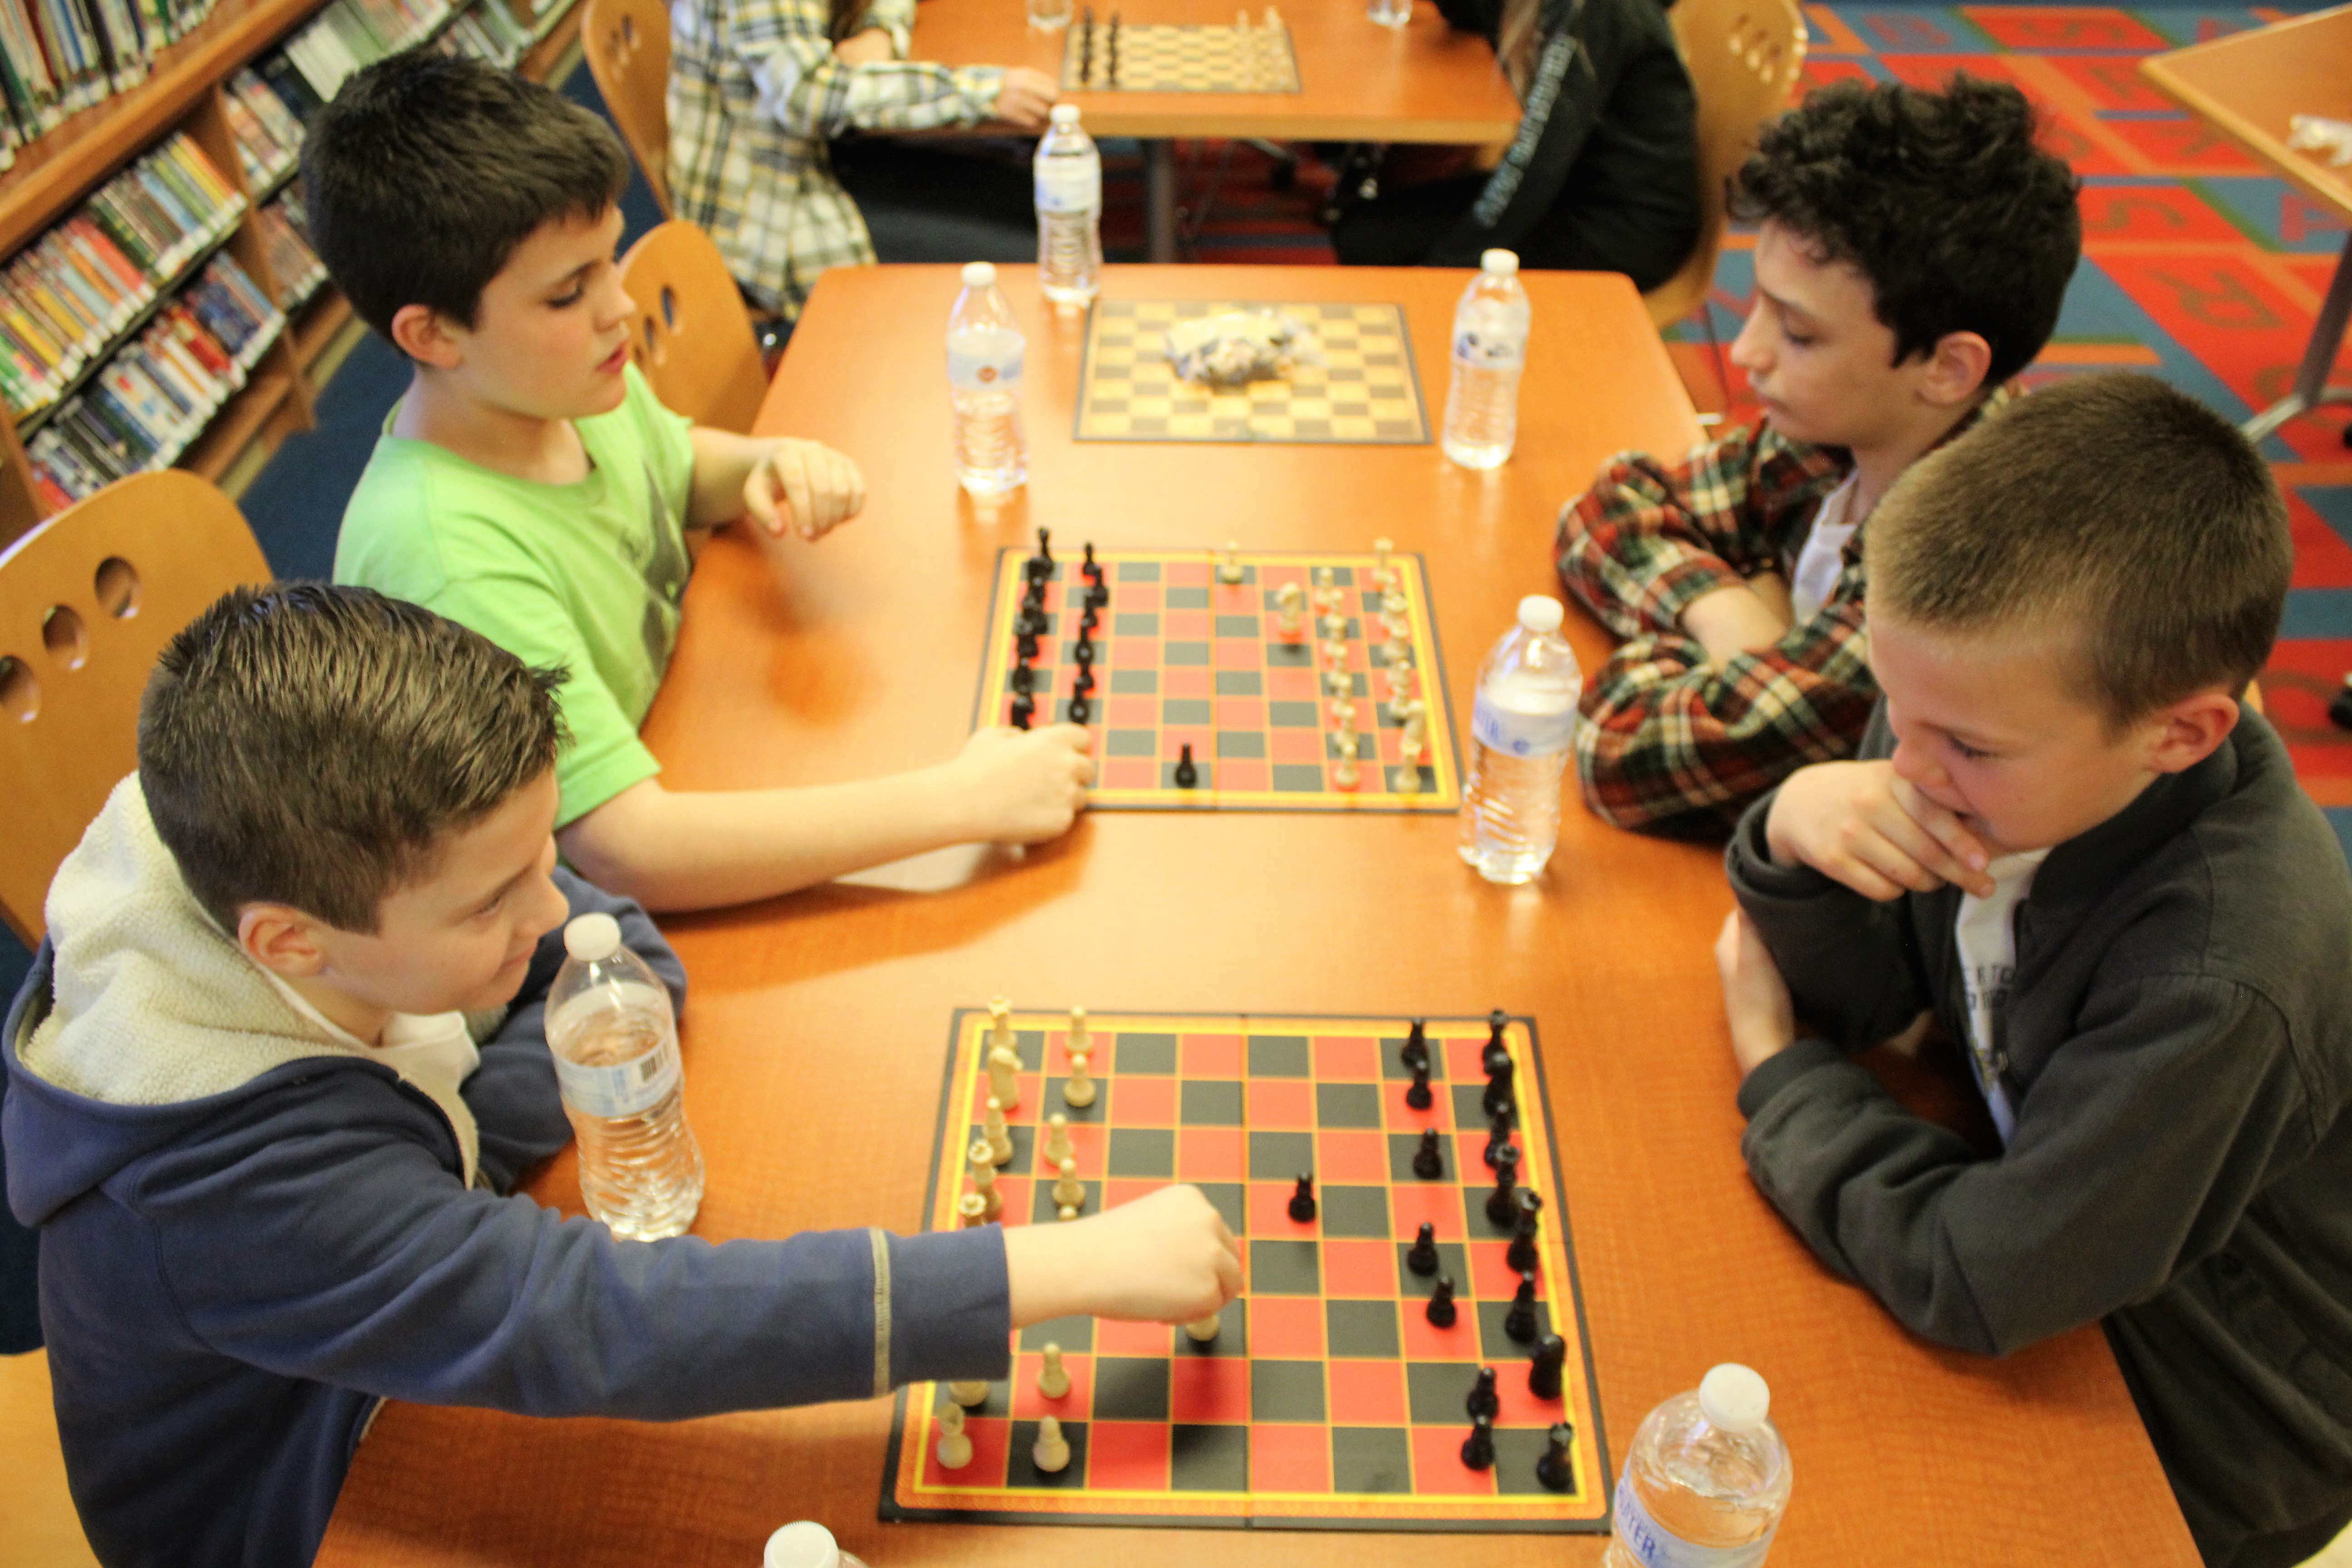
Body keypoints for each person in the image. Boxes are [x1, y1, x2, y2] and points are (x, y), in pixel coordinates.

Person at [1, 584, 1242, 1568]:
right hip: (298, 1504)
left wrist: (461, 1174)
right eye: (494, 902)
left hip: (401, 1354)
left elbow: (622, 948)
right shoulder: (223, 1191)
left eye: (544, 851)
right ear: (290, 943)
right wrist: (1057, 1267)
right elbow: (606, 1325)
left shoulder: (332, 859)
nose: (550, 911)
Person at [1712, 373, 2352, 1568]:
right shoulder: (1976, 720)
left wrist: (1776, 1069)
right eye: (1894, 708)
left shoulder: (2222, 978)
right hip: (2049, 1242)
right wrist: (1795, 831)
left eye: (1959, 744)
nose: (1904, 761)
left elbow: (1980, 1274)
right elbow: (1870, 1001)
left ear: (2183, 734)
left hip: (2208, 1425)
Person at [311, 55, 1093, 912]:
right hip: (588, 920)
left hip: (700, 740)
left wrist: (759, 465)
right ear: (431, 335)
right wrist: (962, 802)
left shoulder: (558, 390)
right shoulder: (447, 559)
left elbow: (677, 468)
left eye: (610, 260)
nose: (619, 307)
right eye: (569, 294)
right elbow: (626, 850)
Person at [1554, 76, 2081, 836]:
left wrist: (1732, 629)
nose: (1744, 351)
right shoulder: (1851, 432)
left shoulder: (1943, 598)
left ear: (1946, 368)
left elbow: (1618, 750)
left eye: (1798, 335)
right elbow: (1607, 510)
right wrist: (1728, 613)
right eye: (1758, 303)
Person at [667, 0, 1060, 319]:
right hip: (774, 211)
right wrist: (980, 92)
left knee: (1042, 203)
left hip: (839, 155)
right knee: (1040, 255)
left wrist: (880, 32)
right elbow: (810, 98)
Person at [1331, 0, 1698, 288]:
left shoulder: (1595, 11)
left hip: (1625, 225)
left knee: (1384, 250)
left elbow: (1539, 161)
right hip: (1573, 187)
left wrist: (1448, 266)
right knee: (1361, 233)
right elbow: (1470, 15)